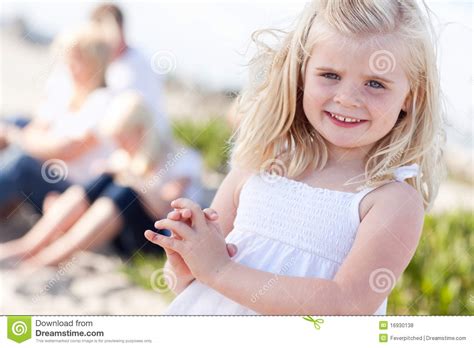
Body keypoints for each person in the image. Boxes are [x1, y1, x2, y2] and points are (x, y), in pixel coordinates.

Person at [144, 0, 446, 315]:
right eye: (330, 75)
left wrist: (219, 270)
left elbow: (348, 304)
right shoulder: (259, 165)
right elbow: (197, 287)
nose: (347, 98)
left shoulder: (391, 200)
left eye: (375, 83)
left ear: (410, 98)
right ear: (301, 75)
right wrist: (187, 265)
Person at [0, 92, 206, 267]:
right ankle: (28, 246)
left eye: (123, 139)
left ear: (141, 131)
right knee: (105, 180)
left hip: (158, 240)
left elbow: (169, 207)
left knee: (125, 192)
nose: (120, 145)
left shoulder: (182, 159)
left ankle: (47, 259)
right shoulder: (126, 156)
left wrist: (132, 179)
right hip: (119, 232)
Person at [0, 24, 115, 213]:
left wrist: (17, 138)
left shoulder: (103, 102)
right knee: (14, 122)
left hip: (69, 186)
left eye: (77, 60)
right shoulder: (68, 89)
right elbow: (37, 127)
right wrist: (22, 137)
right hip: (48, 162)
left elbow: (66, 150)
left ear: (94, 62)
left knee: (23, 162)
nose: (69, 66)